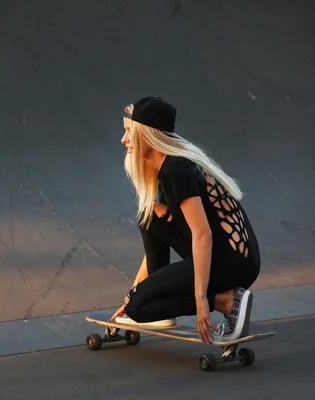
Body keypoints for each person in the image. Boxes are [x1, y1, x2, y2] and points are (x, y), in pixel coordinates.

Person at [111, 96, 261, 344]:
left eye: (129, 132)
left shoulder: (177, 171)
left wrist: (202, 300)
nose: (123, 139)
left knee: (138, 308)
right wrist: (133, 293)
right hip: (231, 256)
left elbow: (203, 234)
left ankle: (225, 301)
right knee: (149, 216)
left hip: (230, 263)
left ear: (148, 135)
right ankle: (150, 298)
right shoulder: (169, 168)